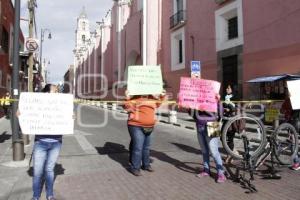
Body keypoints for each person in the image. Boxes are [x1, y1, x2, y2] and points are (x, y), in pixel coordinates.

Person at [19, 84, 61, 200]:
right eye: (55, 91)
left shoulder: (62, 105)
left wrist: (72, 117)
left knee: (49, 170)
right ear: (46, 93)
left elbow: (67, 119)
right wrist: (21, 116)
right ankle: (36, 196)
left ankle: (50, 194)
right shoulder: (38, 104)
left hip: (56, 142)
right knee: (37, 171)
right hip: (40, 142)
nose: (57, 93)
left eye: (58, 91)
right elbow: (27, 115)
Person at [124, 90, 166, 176]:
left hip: (149, 127)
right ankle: (135, 168)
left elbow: (158, 104)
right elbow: (127, 108)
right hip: (136, 126)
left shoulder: (152, 98)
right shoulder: (135, 98)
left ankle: (146, 165)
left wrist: (162, 96)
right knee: (138, 147)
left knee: (146, 147)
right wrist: (127, 98)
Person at [192, 94, 227, 183]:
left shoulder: (214, 97)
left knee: (214, 151)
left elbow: (221, 113)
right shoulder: (197, 98)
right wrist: (189, 106)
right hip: (200, 126)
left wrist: (218, 101)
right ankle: (206, 170)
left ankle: (221, 173)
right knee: (204, 150)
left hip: (213, 125)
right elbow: (191, 114)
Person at [280, 87, 300, 170]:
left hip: (293, 123)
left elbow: (281, 111)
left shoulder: (288, 100)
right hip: (295, 123)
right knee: (293, 142)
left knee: (292, 143)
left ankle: (297, 162)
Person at [222, 84, 236, 163]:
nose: (227, 89)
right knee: (222, 137)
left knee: (230, 138)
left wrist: (229, 108)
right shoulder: (225, 97)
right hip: (225, 119)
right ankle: (233, 152)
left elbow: (235, 107)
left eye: (228, 88)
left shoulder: (235, 97)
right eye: (226, 88)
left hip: (231, 120)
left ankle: (230, 156)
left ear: (232, 89)